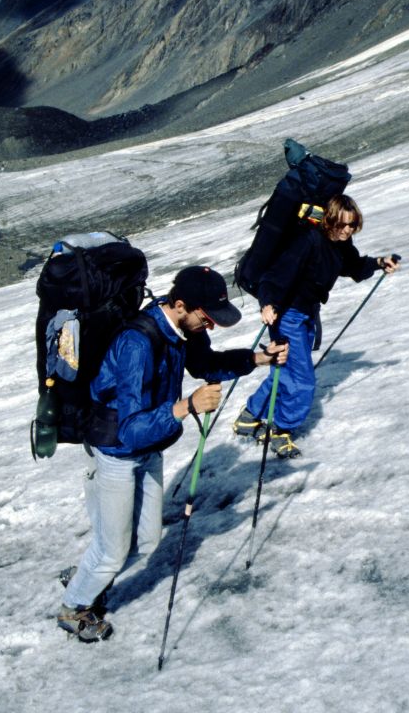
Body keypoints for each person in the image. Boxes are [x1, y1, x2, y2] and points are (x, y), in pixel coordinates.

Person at [57, 264, 288, 644]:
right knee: (114, 551)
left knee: (146, 542)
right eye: (206, 318)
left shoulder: (183, 329)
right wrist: (185, 408)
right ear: (180, 304)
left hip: (150, 447)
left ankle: (87, 573)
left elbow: (205, 365)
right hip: (116, 451)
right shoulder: (137, 343)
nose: (209, 327)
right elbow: (129, 427)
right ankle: (73, 606)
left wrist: (257, 359)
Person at [233, 193, 400, 458]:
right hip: (285, 315)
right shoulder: (307, 240)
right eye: (343, 224)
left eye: (352, 225)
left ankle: (250, 415)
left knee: (287, 371)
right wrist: (267, 303)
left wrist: (379, 263)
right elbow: (275, 277)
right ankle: (281, 430)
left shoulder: (340, 242)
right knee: (302, 380)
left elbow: (354, 266)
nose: (347, 230)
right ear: (330, 220)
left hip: (306, 313)